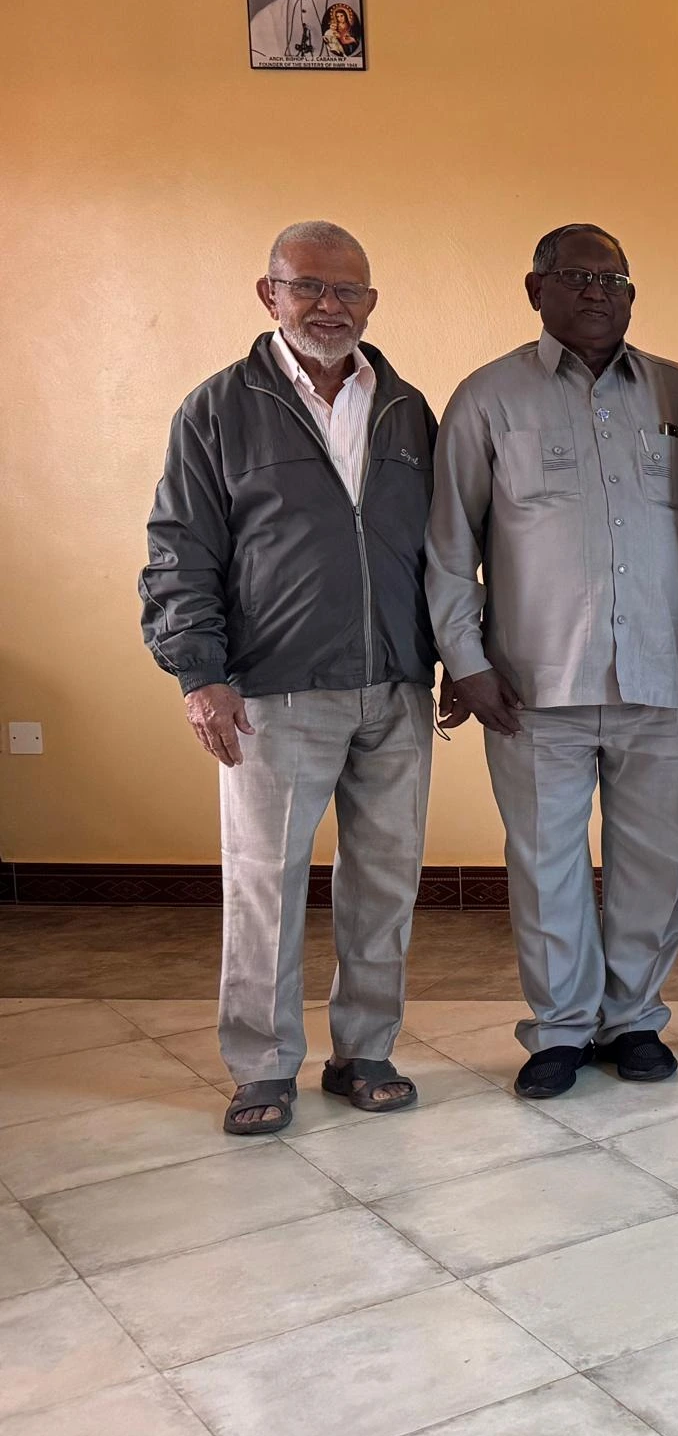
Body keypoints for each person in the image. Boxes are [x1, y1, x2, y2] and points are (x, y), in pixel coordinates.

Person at [141, 221, 438, 1134]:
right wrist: (200, 672)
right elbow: (179, 550)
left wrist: (453, 658)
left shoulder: (406, 408)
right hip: (270, 689)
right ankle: (263, 1066)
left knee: (383, 880)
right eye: (308, 286)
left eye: (348, 291)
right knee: (266, 883)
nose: (328, 306)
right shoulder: (218, 408)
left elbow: (446, 548)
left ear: (372, 303)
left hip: (394, 685)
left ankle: (366, 1051)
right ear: (268, 293)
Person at [427, 224, 678, 1100]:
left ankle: (633, 1020)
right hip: (529, 687)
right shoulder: (488, 399)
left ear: (633, 296)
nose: (597, 292)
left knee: (653, 862)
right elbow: (449, 546)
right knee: (546, 863)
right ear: (536, 289)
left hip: (662, 678)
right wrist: (466, 659)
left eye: (615, 279)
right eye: (577, 276)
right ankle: (559, 1030)